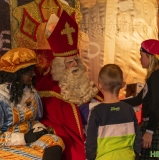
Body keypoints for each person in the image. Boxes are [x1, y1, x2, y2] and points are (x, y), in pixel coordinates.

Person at [36, 11, 102, 160]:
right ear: (59, 66)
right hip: (73, 136)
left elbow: (97, 96)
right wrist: (84, 111)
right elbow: (54, 114)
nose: (74, 65)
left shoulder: (81, 78)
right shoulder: (48, 85)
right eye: (69, 62)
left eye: (76, 61)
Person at [0, 48, 64, 160]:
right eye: (28, 71)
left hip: (28, 139)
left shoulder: (31, 93)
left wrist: (38, 129)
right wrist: (24, 137)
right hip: (1, 146)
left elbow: (34, 120)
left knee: (56, 142)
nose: (33, 73)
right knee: (38, 158)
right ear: (16, 73)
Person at [122, 39, 159, 159]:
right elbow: (137, 100)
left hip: (156, 126)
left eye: (141, 56)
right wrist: (114, 102)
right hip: (153, 124)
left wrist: (149, 131)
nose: (139, 59)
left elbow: (157, 104)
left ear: (150, 57)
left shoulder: (157, 75)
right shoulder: (153, 76)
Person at [85, 64, 142, 160]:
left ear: (99, 85)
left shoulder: (96, 112)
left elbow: (91, 144)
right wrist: (134, 156)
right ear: (122, 85)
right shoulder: (129, 109)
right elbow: (138, 138)